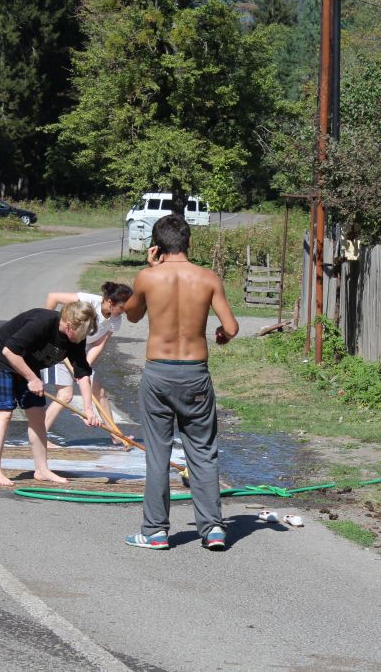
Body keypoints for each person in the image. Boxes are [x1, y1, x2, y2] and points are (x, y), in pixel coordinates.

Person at [122, 214, 239, 550]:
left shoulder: (148, 277)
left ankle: (155, 531)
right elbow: (230, 328)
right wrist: (221, 335)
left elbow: (131, 314)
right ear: (189, 242)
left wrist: (149, 267)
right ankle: (214, 528)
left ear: (157, 246)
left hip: (158, 372)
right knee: (202, 451)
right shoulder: (208, 278)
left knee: (157, 454)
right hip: (195, 373)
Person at [0, 301, 103, 486]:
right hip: (1, 359)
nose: (82, 339)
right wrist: (32, 379)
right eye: (82, 334)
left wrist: (89, 410)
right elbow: (9, 351)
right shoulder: (42, 322)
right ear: (69, 326)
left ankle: (42, 469)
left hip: (27, 365)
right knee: (5, 412)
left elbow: (82, 373)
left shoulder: (76, 338)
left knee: (38, 414)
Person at [41, 282, 133, 448]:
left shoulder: (115, 320)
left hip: (79, 352)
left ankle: (116, 435)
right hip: (59, 346)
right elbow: (53, 297)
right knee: (65, 395)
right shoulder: (89, 301)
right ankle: (40, 437)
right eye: (122, 308)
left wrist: (83, 368)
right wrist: (50, 330)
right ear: (110, 302)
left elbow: (98, 344)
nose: (123, 313)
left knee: (100, 392)